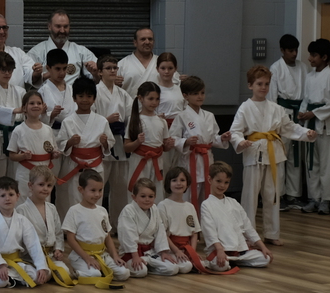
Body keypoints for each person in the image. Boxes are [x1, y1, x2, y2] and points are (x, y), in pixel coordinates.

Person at [231, 65, 316, 245]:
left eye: (266, 84)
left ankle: (271, 233)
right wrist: (240, 141)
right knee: (250, 197)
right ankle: (248, 236)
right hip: (253, 153)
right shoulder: (245, 108)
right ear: (250, 85)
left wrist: (306, 133)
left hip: (273, 154)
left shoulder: (276, 108)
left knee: (272, 195)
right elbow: (235, 131)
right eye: (259, 84)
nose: (263, 87)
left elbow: (289, 127)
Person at [56, 76, 112, 220]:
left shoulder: (102, 121)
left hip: (95, 165)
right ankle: (73, 229)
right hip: (74, 164)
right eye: (80, 96)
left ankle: (95, 228)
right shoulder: (68, 121)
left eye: (89, 96)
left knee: (95, 198)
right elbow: (61, 145)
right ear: (74, 98)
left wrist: (105, 143)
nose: (85, 100)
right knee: (73, 199)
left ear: (94, 98)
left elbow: (109, 146)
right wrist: (70, 142)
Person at [171, 76, 230, 213]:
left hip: (206, 159)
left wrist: (222, 138)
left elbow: (212, 139)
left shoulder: (209, 116)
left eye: (202, 93)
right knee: (189, 193)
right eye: (195, 93)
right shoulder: (181, 116)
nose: (200, 96)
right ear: (185, 95)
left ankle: (206, 222)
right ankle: (189, 222)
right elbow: (173, 138)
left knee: (207, 193)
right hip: (190, 159)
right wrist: (186, 142)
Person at [0, 176, 52, 288]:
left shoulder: (22, 220)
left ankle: (12, 279)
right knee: (0, 281)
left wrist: (41, 266)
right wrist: (0, 265)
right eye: (3, 195)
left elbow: (33, 244)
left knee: (36, 277)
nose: (7, 199)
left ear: (18, 196)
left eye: (11, 194)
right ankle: (2, 278)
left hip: (15, 261)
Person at [62, 170, 127, 288]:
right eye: (93, 190)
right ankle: (77, 273)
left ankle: (97, 269)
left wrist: (115, 256)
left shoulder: (102, 211)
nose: (97, 194)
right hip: (82, 255)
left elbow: (107, 237)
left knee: (124, 273)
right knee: (94, 275)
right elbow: (70, 239)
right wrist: (87, 258)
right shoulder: (74, 211)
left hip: (102, 254)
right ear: (81, 190)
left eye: (100, 190)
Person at [201, 162, 272, 270]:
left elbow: (248, 227)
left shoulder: (233, 202)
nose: (222, 185)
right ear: (210, 179)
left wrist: (263, 247)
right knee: (222, 266)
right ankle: (225, 260)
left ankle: (235, 260)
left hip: (239, 251)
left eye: (226, 182)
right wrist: (219, 250)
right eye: (218, 181)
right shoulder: (206, 204)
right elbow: (209, 231)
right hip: (219, 250)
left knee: (265, 258)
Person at [16, 165, 75, 287]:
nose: (45, 189)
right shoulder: (21, 210)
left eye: (49, 185)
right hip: (30, 257)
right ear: (30, 185)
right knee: (36, 277)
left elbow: (58, 233)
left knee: (66, 274)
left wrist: (58, 249)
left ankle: (47, 272)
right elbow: (19, 238)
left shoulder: (51, 208)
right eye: (41, 184)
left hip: (50, 256)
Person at [160, 166, 225, 275]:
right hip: (171, 248)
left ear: (187, 184)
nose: (178, 183)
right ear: (168, 183)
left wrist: (192, 252)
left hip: (187, 248)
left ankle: (187, 262)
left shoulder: (190, 206)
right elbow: (163, 234)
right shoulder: (163, 205)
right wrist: (177, 251)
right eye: (174, 180)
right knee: (186, 266)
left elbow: (194, 233)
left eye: (182, 180)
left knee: (204, 264)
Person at [268, 34, 309, 210]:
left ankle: (294, 195)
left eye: (296, 50)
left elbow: (307, 92)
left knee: (295, 156)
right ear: (282, 50)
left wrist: (303, 111)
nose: (294, 53)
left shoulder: (303, 68)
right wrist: (275, 120)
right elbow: (272, 97)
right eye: (290, 50)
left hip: (299, 114)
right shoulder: (275, 68)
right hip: (282, 114)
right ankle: (279, 194)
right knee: (281, 155)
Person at [117, 178, 188, 277]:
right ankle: (145, 267)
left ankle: (149, 267)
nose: (147, 199)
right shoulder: (128, 211)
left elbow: (160, 231)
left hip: (150, 252)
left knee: (173, 268)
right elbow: (128, 234)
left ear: (155, 197)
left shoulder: (154, 209)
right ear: (134, 197)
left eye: (150, 196)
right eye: (143, 196)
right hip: (131, 253)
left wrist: (163, 252)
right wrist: (135, 256)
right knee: (141, 272)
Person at [92, 55, 132, 226]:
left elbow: (131, 118)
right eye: (108, 68)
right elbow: (90, 118)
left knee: (121, 186)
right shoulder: (95, 92)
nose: (113, 71)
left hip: (120, 143)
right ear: (100, 72)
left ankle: (118, 224)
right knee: (98, 185)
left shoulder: (123, 94)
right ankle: (96, 223)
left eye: (115, 68)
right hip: (101, 142)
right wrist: (106, 120)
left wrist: (128, 137)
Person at [299, 39, 330, 214]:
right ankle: (314, 198)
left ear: (324, 57)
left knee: (326, 164)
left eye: (314, 55)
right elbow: (305, 99)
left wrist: (314, 113)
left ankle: (326, 200)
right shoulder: (310, 76)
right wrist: (302, 112)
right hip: (310, 125)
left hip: (325, 125)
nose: (310, 58)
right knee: (311, 163)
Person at [7, 90, 60, 201]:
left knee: (43, 202)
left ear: (43, 106)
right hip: (26, 174)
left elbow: (52, 150)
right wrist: (23, 156)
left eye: (39, 103)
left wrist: (55, 154)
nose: (36, 106)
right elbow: (12, 155)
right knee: (24, 202)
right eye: (32, 103)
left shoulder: (48, 129)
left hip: (44, 174)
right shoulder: (19, 130)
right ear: (24, 108)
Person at [124, 81, 173, 200]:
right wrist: (137, 142)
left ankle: (155, 212)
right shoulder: (134, 119)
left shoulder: (162, 121)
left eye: (157, 99)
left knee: (157, 192)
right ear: (141, 98)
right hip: (139, 160)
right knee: (138, 190)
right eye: (150, 99)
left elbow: (165, 147)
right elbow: (126, 147)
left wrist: (169, 145)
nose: (154, 102)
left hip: (157, 161)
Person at [0, 51, 26, 182]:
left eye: (10, 70)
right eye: (3, 70)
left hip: (16, 136)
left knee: (16, 178)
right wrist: (14, 111)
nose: (7, 73)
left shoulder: (20, 91)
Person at [26, 10, 97, 86]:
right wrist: (42, 75)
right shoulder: (36, 52)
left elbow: (98, 78)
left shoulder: (81, 51)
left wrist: (95, 73)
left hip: (72, 92)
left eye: (66, 26)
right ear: (49, 26)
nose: (62, 31)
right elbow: (26, 80)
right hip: (45, 93)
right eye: (58, 26)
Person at [38, 48, 76, 135]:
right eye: (58, 69)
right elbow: (37, 118)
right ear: (48, 68)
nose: (62, 73)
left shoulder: (72, 89)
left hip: (72, 132)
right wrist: (51, 115)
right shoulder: (42, 91)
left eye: (64, 68)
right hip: (51, 133)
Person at [119, 27, 158, 96]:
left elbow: (174, 85)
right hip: (130, 102)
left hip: (158, 103)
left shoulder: (162, 63)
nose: (147, 42)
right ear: (135, 42)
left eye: (150, 39)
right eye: (143, 39)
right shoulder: (122, 65)